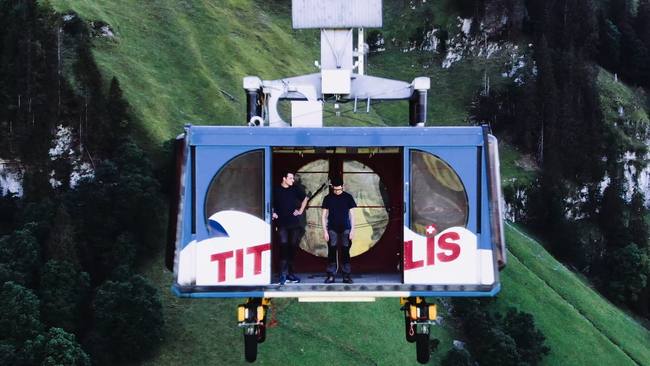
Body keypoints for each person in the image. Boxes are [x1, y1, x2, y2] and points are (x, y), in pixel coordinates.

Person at [272, 170, 308, 285]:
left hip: (294, 224)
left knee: (292, 248)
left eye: (293, 178)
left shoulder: (295, 189)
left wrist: (300, 211)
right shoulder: (276, 189)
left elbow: (305, 198)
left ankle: (290, 274)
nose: (293, 180)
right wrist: (273, 212)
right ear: (284, 178)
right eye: (291, 178)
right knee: (283, 248)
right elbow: (270, 202)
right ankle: (282, 275)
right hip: (281, 223)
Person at [321, 176, 357, 284]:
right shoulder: (328, 198)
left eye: (339, 189)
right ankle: (331, 275)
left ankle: (346, 275)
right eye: (335, 189)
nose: (337, 191)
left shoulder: (348, 197)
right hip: (332, 228)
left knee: (345, 251)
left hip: (346, 228)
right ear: (332, 187)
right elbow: (323, 216)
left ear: (342, 187)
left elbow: (352, 214)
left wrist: (352, 230)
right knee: (332, 252)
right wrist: (325, 231)